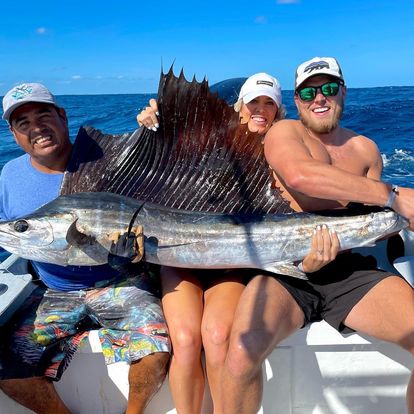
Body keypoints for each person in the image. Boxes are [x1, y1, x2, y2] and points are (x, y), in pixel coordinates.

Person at [220, 56, 414, 414]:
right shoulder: (285, 133)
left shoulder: (366, 149)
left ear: (343, 92)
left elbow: (371, 224)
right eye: (309, 91)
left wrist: (401, 216)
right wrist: (396, 196)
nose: (319, 98)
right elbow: (301, 177)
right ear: (296, 100)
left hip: (349, 268)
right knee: (242, 353)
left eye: (328, 88)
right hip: (285, 267)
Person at [137, 72, 336, 414]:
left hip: (232, 262)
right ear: (239, 106)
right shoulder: (206, 140)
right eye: (253, 102)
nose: (260, 110)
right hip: (180, 257)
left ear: (279, 111)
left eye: (269, 104)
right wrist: (152, 123)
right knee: (184, 340)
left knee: (216, 337)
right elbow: (158, 159)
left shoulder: (283, 147)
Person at [0, 83, 171, 414]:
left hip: (121, 282)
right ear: (13, 133)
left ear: (63, 117)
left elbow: (160, 168)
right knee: (5, 363)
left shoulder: (106, 157)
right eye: (24, 123)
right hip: (54, 290)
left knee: (156, 350)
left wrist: (158, 127)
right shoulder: (8, 175)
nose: (36, 128)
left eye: (44, 115)